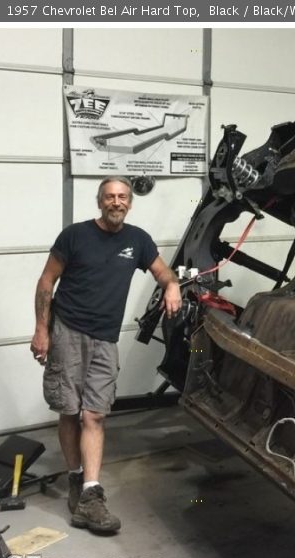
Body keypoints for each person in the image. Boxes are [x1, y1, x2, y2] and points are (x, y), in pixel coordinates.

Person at [29, 176, 181, 534]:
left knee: (94, 414)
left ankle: (90, 495)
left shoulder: (138, 240)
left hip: (105, 339)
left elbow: (163, 272)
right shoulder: (75, 236)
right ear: (100, 201)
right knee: (70, 411)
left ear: (130, 202)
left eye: (123, 197)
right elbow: (46, 281)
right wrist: (41, 329)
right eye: (110, 196)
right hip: (68, 331)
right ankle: (74, 477)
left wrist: (172, 285)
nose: (117, 202)